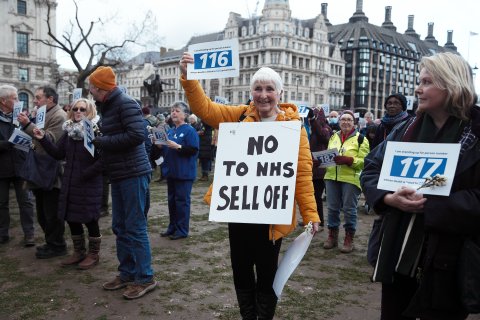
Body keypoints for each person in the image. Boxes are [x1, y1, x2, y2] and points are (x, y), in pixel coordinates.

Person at [179, 52, 320, 320]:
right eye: (258, 88)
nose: (263, 95)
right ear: (251, 91)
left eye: (269, 89)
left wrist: (311, 214)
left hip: (272, 216)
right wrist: (189, 78)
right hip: (240, 211)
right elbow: (205, 109)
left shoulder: (294, 127)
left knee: (267, 273)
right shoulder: (240, 115)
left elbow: (303, 174)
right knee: (241, 270)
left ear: (280, 93)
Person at [361, 52, 480, 320]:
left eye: (426, 82)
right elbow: (371, 169)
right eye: (419, 81)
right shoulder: (404, 130)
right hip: (396, 254)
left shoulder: (476, 135)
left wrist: (432, 204)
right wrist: (388, 198)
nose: (418, 88)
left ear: (451, 85)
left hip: (450, 263)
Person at [88, 66, 156, 300]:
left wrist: (103, 141)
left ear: (99, 88)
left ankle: (145, 277)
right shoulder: (107, 106)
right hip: (120, 173)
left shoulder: (125, 102)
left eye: (92, 87)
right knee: (120, 226)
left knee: (135, 227)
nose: (90, 91)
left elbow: (137, 135)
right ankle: (127, 273)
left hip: (134, 173)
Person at [32, 98, 103, 269]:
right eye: (75, 108)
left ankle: (93, 254)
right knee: (71, 217)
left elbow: (103, 160)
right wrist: (43, 139)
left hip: (89, 182)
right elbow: (58, 153)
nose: (78, 111)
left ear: (90, 112)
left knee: (90, 218)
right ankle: (79, 251)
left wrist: (87, 174)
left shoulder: (96, 131)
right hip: (70, 182)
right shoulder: (69, 131)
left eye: (82, 109)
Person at [18, 86, 67, 259]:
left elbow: (50, 139)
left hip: (51, 171)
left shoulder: (59, 115)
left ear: (50, 99)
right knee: (42, 213)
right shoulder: (43, 113)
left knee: (51, 212)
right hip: (40, 167)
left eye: (38, 97)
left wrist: (28, 125)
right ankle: (51, 242)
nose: (35, 101)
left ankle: (57, 245)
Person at [323, 110, 369, 253]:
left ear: (354, 123)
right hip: (331, 176)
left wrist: (350, 160)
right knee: (332, 208)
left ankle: (349, 237)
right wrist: (321, 160)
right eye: (343, 119)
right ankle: (332, 235)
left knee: (349, 209)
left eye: (349, 119)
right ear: (339, 121)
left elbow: (365, 162)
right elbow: (329, 155)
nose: (346, 122)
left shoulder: (361, 139)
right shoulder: (333, 137)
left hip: (350, 178)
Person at [155, 101, 199, 240]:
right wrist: (159, 145)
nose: (173, 113)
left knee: (182, 202)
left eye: (177, 111)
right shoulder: (170, 130)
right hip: (172, 172)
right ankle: (172, 227)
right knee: (172, 202)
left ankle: (182, 230)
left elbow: (193, 150)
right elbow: (166, 149)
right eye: (172, 110)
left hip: (184, 173)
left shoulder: (189, 130)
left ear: (185, 114)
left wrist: (179, 147)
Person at [0, 85, 35, 246]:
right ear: (3, 101)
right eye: (14, 98)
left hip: (21, 165)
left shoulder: (21, 117)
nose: (18, 100)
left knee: (26, 202)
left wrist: (27, 125)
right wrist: (6, 144)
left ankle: (29, 234)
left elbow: (32, 134)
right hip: (2, 168)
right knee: (2, 203)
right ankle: (3, 233)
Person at [308, 107, 332, 230]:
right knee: (310, 195)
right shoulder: (311, 130)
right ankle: (312, 218)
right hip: (310, 167)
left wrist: (313, 120)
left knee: (317, 195)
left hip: (319, 169)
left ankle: (320, 220)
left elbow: (323, 136)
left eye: (314, 117)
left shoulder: (326, 129)